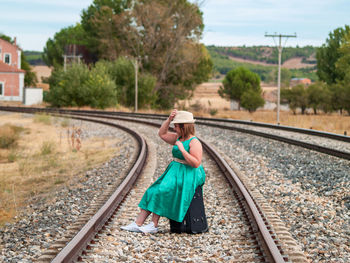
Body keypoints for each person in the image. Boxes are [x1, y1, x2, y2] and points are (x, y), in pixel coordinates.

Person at [121, 109, 206, 233]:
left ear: (184, 127)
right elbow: (162, 134)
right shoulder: (179, 137)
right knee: (153, 190)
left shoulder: (194, 142)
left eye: (176, 126)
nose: (174, 128)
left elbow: (196, 163)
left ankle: (153, 224)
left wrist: (183, 150)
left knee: (163, 190)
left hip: (189, 173)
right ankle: (138, 223)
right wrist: (168, 120)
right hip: (175, 170)